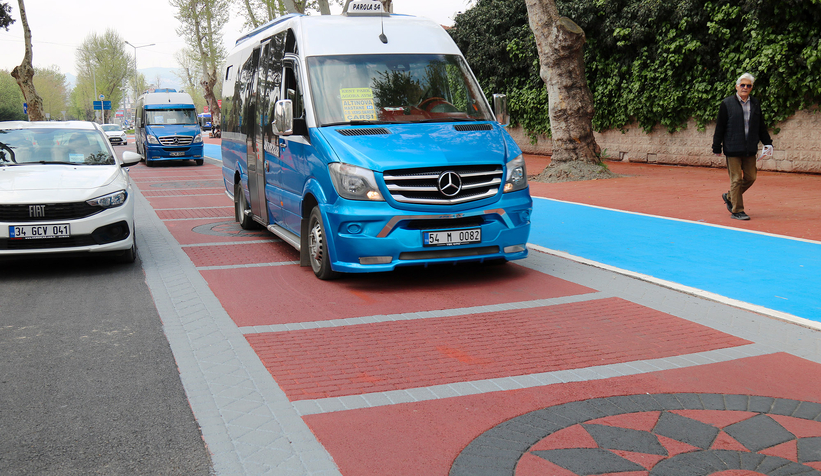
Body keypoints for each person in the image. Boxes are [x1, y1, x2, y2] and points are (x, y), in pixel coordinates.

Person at [712, 73, 773, 220]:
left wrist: (768, 143)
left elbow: (760, 126)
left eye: (748, 85)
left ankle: (729, 196)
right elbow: (720, 126)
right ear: (737, 86)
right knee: (736, 179)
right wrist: (716, 146)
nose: (745, 88)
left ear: (751, 88)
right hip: (732, 148)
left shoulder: (755, 103)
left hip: (749, 148)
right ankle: (737, 210)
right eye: (743, 85)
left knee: (751, 177)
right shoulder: (727, 103)